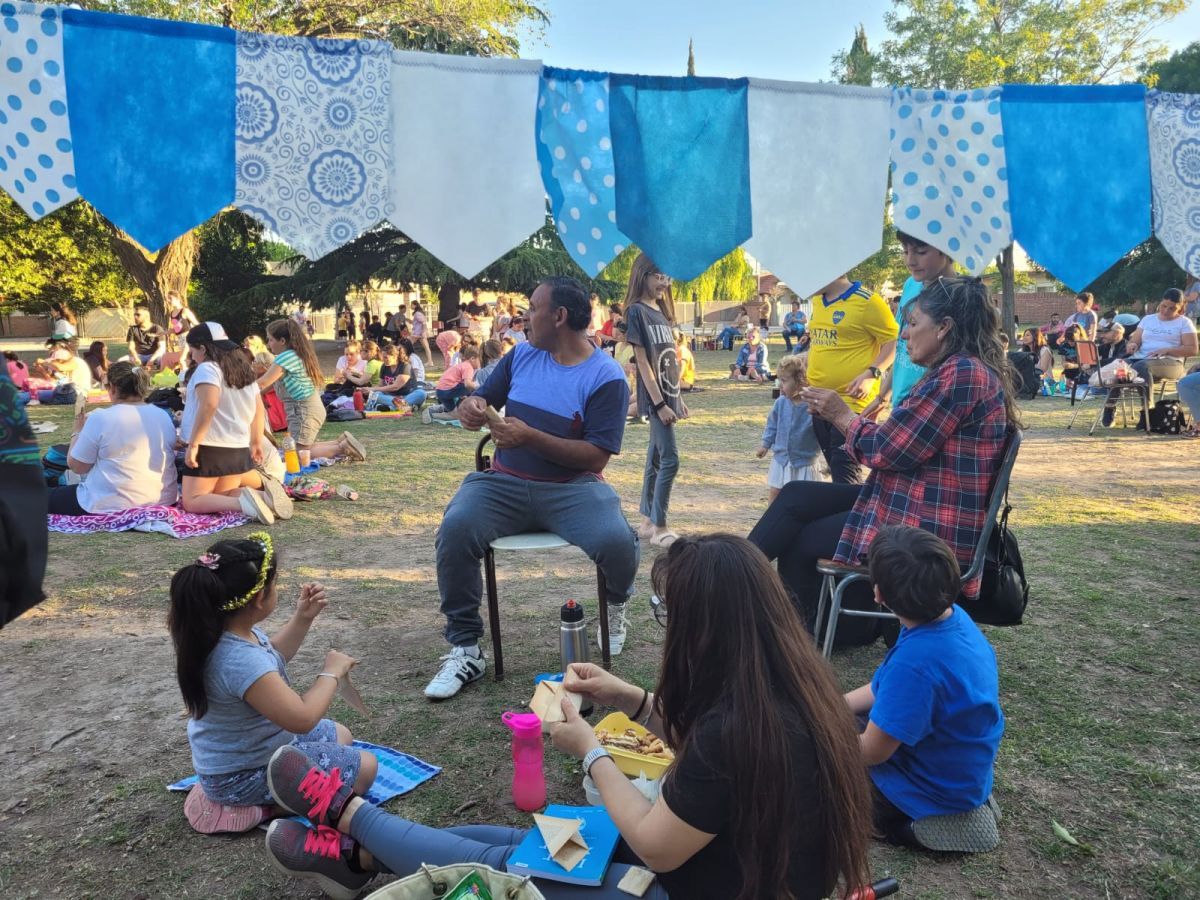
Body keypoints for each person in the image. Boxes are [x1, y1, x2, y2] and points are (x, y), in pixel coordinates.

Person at [262, 535, 873, 900]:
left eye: (671, 614)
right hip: (731, 869)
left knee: (501, 867)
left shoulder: (732, 728)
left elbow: (658, 847)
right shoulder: (792, 685)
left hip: (683, 883)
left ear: (706, 627)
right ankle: (355, 860)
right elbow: (709, 757)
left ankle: (343, 811)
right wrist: (628, 698)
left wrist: (591, 749)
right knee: (521, 840)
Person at [748, 278, 1014, 638]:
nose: (904, 335)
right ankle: (730, 583)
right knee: (796, 494)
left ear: (944, 328)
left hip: (924, 519)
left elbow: (885, 451)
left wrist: (842, 415)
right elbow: (904, 444)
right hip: (911, 498)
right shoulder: (960, 371)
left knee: (804, 539)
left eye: (913, 324)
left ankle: (801, 632)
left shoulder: (961, 375)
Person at [423, 276, 638, 699]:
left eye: (533, 308)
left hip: (573, 487)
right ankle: (466, 648)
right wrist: (473, 406)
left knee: (617, 541)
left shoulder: (606, 377)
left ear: (558, 317)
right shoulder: (521, 357)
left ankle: (615, 605)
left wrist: (532, 437)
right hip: (504, 482)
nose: (524, 318)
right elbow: (484, 398)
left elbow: (596, 457)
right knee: (456, 529)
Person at [168, 533, 377, 811]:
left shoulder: (225, 632)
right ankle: (264, 807)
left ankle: (270, 795)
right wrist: (331, 673)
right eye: (275, 583)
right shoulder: (237, 658)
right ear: (259, 598)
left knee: (342, 735)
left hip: (255, 750)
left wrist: (303, 617)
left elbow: (272, 656)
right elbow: (301, 718)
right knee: (366, 769)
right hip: (242, 777)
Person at [845, 527, 1004, 848]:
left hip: (925, 787)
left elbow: (873, 752)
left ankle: (922, 825)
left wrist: (820, 748)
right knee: (824, 724)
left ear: (878, 594)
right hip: (952, 768)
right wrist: (827, 705)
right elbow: (881, 687)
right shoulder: (950, 619)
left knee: (812, 777)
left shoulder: (916, 665)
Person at [46, 361, 178, 515]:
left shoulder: (101, 417)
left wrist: (77, 430)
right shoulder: (162, 415)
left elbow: (77, 466)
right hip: (163, 499)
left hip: (113, 502)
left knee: (39, 497)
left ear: (113, 388)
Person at [179, 322, 279, 524]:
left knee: (192, 500)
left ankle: (245, 505)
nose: (192, 357)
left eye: (192, 351)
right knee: (222, 493)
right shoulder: (243, 370)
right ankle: (265, 498)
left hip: (211, 447)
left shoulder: (207, 368)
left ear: (203, 348)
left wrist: (194, 444)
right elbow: (258, 409)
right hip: (238, 448)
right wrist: (256, 442)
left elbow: (209, 404)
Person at [805, 274, 899, 484]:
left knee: (845, 475)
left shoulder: (868, 302)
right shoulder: (818, 301)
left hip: (851, 404)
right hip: (818, 400)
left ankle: (850, 515)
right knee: (834, 467)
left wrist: (872, 373)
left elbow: (894, 341)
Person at [624, 253, 687, 549]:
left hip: (668, 396)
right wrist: (661, 404)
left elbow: (669, 361)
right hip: (657, 399)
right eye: (658, 276)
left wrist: (676, 399)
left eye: (667, 276)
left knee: (656, 458)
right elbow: (643, 362)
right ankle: (661, 524)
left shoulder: (660, 312)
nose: (664, 282)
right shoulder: (637, 312)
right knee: (671, 459)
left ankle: (648, 521)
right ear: (643, 275)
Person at [258, 319, 365, 468]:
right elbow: (269, 385)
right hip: (308, 408)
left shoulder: (285, 357)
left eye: (270, 340)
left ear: (282, 341)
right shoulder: (294, 355)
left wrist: (240, 393)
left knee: (298, 452)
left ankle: (342, 448)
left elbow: (262, 382)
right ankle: (340, 442)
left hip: (302, 410)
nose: (268, 344)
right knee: (301, 447)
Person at [876, 232, 958, 414]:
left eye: (920, 252)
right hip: (900, 401)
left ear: (947, 249)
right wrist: (882, 396)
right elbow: (901, 346)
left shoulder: (960, 297)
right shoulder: (911, 284)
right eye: (905, 251)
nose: (910, 261)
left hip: (930, 404)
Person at [1102, 288, 1198, 425]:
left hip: (1171, 363)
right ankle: (1109, 406)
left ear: (1181, 307)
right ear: (1160, 303)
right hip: (1142, 359)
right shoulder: (1148, 319)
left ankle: (1148, 411)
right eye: (1164, 306)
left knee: (1140, 366)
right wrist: (1132, 345)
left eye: (1172, 308)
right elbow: (1135, 340)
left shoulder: (1184, 323)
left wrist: (1168, 350)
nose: (1166, 311)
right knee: (1120, 365)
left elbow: (1192, 349)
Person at [757, 355, 826, 504]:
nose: (780, 385)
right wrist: (765, 444)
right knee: (776, 491)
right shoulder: (780, 403)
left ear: (800, 381)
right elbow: (772, 425)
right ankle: (772, 520)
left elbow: (823, 435)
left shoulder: (813, 406)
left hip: (805, 461)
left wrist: (830, 461)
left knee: (806, 496)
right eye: (779, 380)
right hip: (781, 459)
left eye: (784, 381)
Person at [423, 345, 480, 422]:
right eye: (480, 360)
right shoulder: (468, 367)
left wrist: (463, 394)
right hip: (448, 390)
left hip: (440, 391)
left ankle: (432, 415)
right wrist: (479, 387)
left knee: (455, 415)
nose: (481, 363)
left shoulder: (461, 365)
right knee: (475, 388)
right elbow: (467, 384)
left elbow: (459, 383)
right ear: (472, 358)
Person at [367, 343, 427, 412]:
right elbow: (380, 385)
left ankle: (392, 406)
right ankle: (403, 406)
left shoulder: (405, 366)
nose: (383, 360)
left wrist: (373, 389)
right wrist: (368, 390)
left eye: (386, 357)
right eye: (383, 357)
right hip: (390, 397)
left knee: (421, 393)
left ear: (395, 356)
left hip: (407, 395)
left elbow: (396, 387)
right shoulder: (384, 366)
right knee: (376, 395)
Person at [125, 305, 167, 369]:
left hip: (154, 356)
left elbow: (162, 348)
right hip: (138, 356)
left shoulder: (157, 328)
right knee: (121, 362)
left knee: (164, 360)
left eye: (138, 315)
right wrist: (136, 358)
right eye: (134, 315)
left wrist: (151, 361)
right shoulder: (132, 329)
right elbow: (131, 347)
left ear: (147, 316)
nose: (135, 317)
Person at [409, 301, 432, 366]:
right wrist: (407, 319)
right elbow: (415, 323)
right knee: (426, 348)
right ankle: (430, 362)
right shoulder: (418, 313)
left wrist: (424, 332)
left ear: (415, 305)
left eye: (412, 305)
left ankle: (404, 360)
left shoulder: (417, 313)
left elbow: (424, 323)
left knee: (406, 345)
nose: (411, 306)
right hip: (419, 333)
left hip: (418, 334)